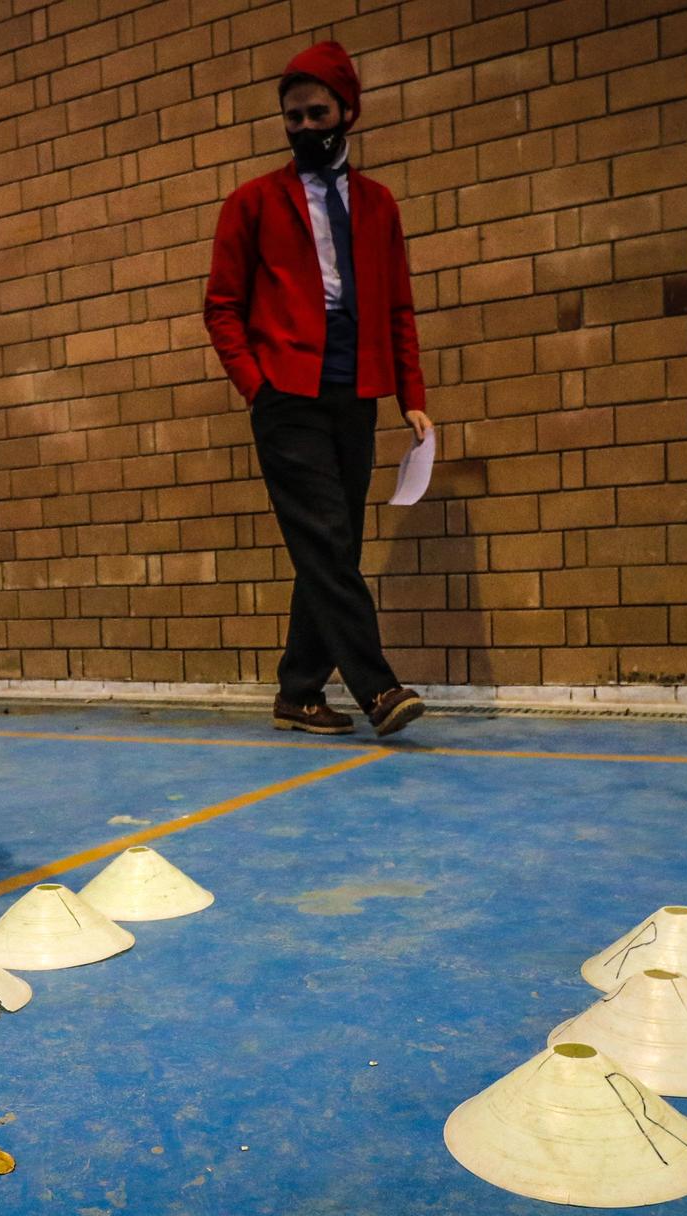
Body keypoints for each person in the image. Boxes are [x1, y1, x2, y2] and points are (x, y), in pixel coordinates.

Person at [204, 41, 433, 738]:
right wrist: (257, 384)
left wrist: (411, 394)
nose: (303, 127)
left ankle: (298, 692)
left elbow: (396, 305)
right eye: (291, 116)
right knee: (328, 540)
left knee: (331, 549)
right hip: (287, 397)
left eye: (316, 113)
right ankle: (378, 687)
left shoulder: (378, 205)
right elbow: (221, 306)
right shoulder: (252, 203)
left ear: (347, 112)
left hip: (355, 394)